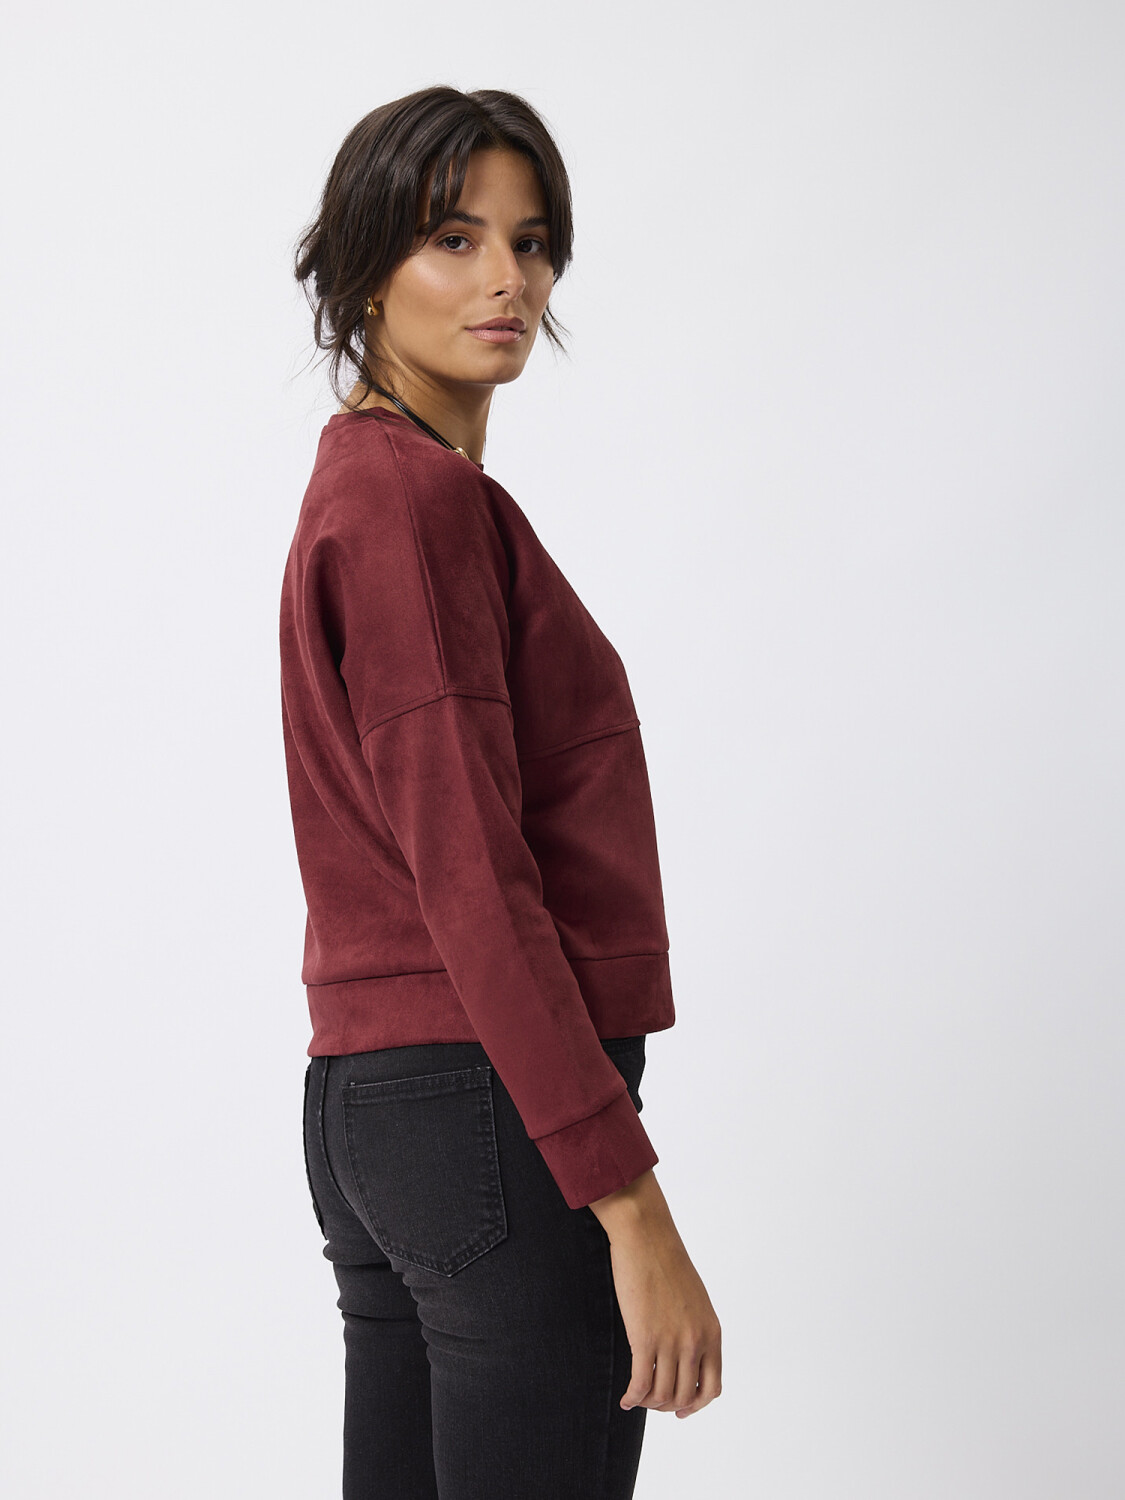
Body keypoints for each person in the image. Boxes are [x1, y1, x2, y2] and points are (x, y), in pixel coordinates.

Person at [280, 85, 722, 1499]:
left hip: (379, 1103)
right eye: (454, 239)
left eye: (531, 245)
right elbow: (471, 874)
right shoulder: (413, 504)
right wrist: (630, 1204)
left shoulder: (363, 486)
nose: (507, 281)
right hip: (493, 1106)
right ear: (367, 264)